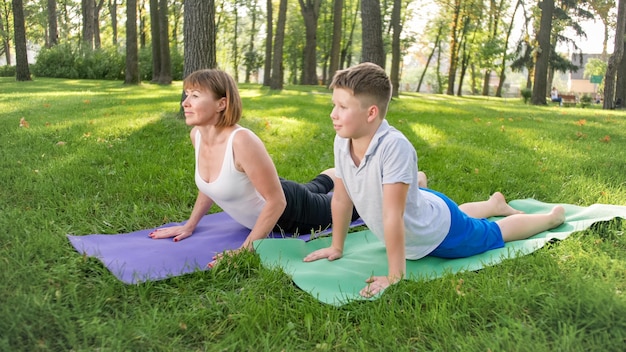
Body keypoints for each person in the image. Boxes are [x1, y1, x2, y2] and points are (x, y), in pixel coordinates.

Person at [303, 63, 566, 298]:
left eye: (342, 107)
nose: (333, 114)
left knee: (493, 233)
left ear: (371, 113)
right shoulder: (342, 140)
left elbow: (393, 215)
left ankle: (549, 219)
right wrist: (336, 246)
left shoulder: (395, 147)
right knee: (454, 214)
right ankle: (492, 205)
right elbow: (340, 198)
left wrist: (395, 276)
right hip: (421, 204)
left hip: (435, 232)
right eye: (334, 105)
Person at [149, 69, 360, 266]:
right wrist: (189, 225)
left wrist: (245, 250)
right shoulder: (197, 135)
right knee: (311, 188)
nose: (185, 102)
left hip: (292, 214)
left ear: (221, 104)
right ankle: (333, 174)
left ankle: (363, 176)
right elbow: (209, 185)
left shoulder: (241, 141)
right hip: (279, 190)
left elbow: (277, 201)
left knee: (355, 205)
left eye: (195, 95)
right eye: (186, 95)